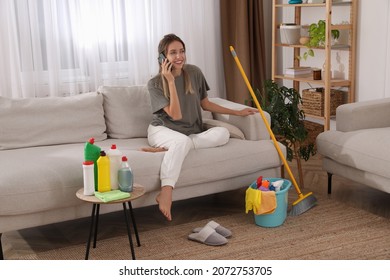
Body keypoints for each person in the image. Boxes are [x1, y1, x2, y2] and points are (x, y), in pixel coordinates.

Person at [145, 34, 257, 221]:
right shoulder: (155, 83)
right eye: (173, 53)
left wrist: (237, 112)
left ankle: (175, 149)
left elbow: (206, 104)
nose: (179, 56)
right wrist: (171, 81)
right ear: (163, 58)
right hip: (162, 130)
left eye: (182, 51)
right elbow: (176, 115)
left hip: (189, 134)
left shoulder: (194, 73)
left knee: (222, 133)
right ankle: (166, 191)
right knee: (180, 141)